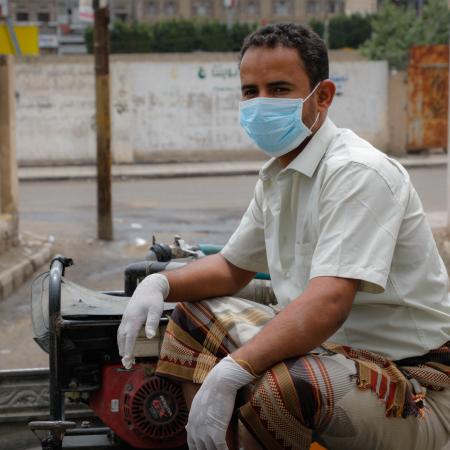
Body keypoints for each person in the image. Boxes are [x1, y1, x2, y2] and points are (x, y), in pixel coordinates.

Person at [117, 23, 450, 450]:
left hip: (409, 380)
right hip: (332, 350)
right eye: (250, 91)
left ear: (323, 96)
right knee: (192, 318)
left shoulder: (357, 172)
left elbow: (329, 301)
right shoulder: (280, 173)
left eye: (278, 89)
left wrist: (233, 368)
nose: (260, 104)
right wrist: (160, 284)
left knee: (285, 388)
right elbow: (232, 267)